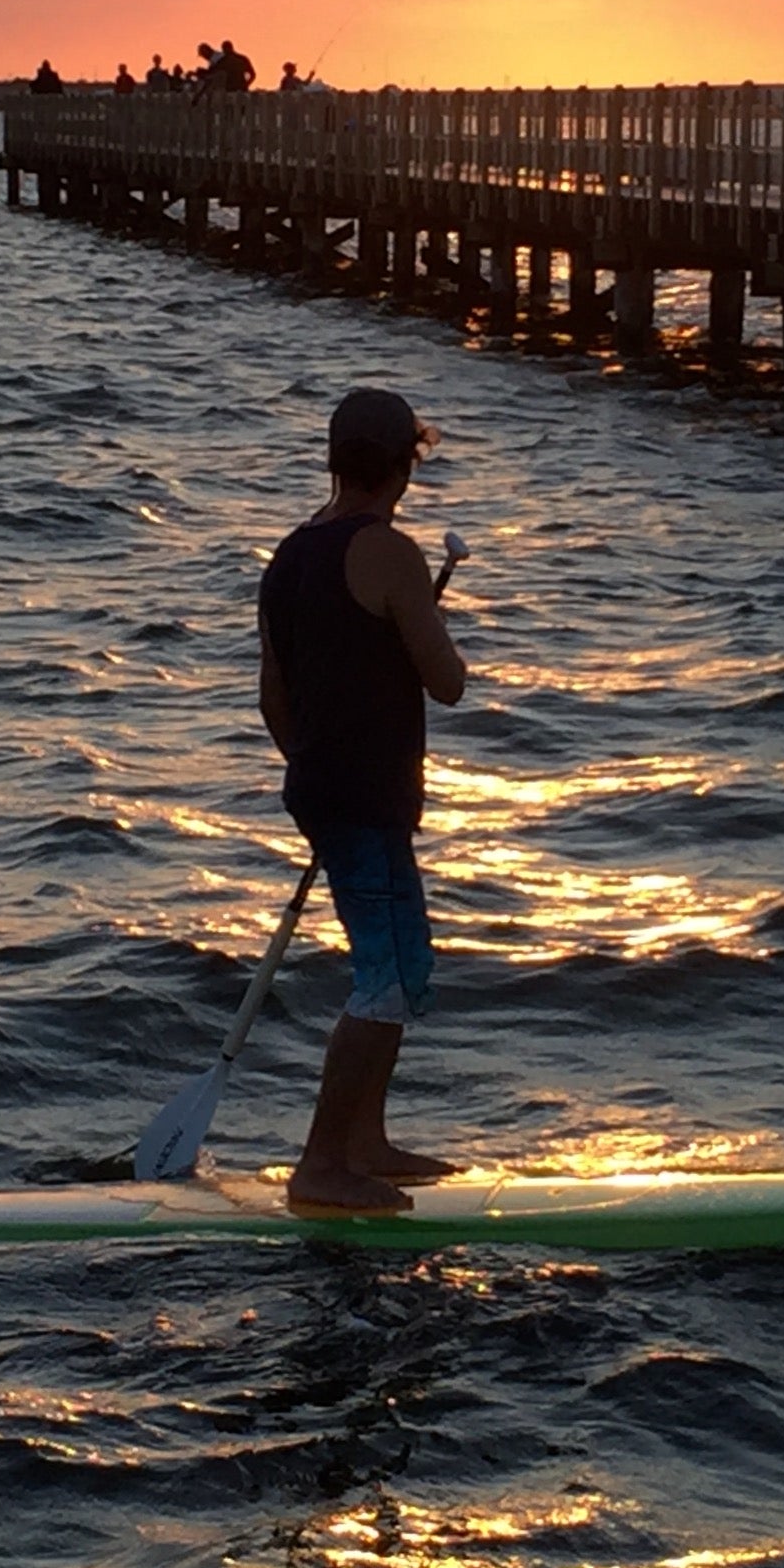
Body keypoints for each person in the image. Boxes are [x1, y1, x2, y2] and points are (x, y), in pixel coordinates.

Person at [256, 388, 467, 1212]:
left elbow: (275, 695)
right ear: (402, 468)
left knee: (407, 966)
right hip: (363, 795)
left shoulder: (288, 554)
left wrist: (317, 766)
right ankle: (320, 1165)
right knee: (383, 978)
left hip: (326, 785)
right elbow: (446, 682)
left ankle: (365, 1142)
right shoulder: (391, 553)